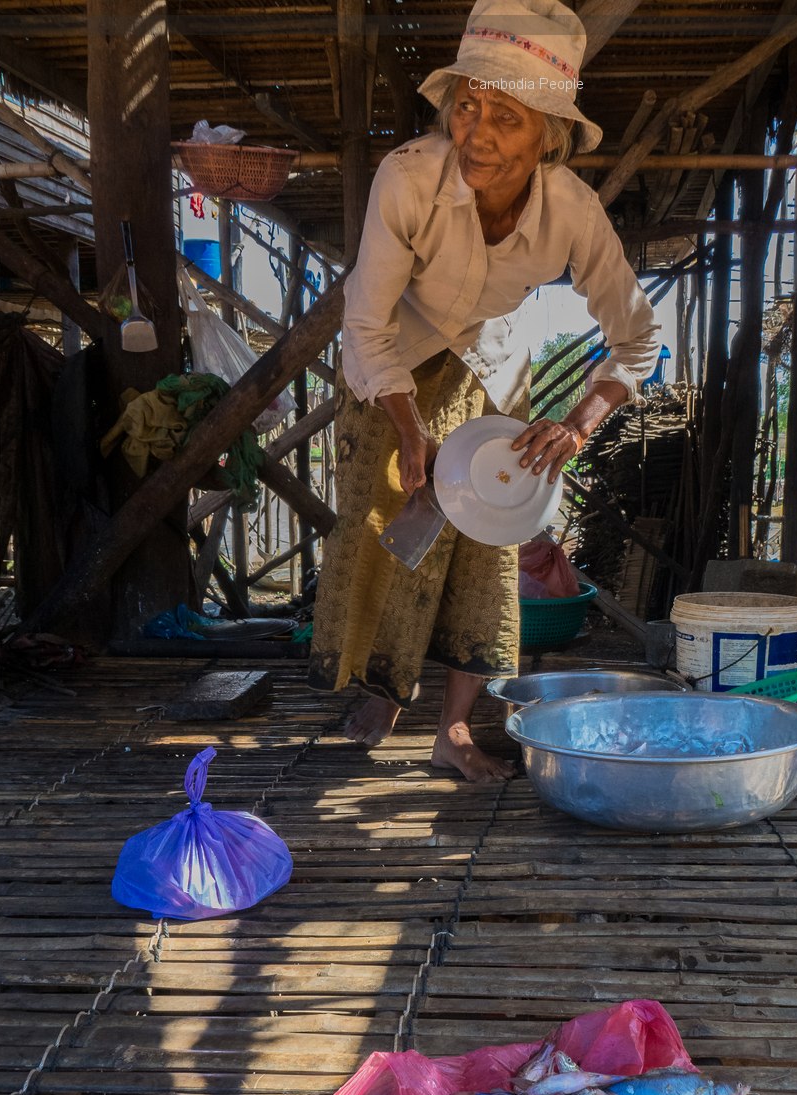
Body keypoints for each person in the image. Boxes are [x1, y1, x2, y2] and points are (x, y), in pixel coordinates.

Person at [309, 0, 661, 782]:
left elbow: (637, 337)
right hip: (392, 366)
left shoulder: (570, 208)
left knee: (485, 538)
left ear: (549, 135)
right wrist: (407, 430)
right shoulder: (407, 177)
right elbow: (363, 324)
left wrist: (577, 424)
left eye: (507, 116)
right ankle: (381, 690)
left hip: (493, 365)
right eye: (466, 106)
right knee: (389, 527)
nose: (476, 133)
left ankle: (455, 730)